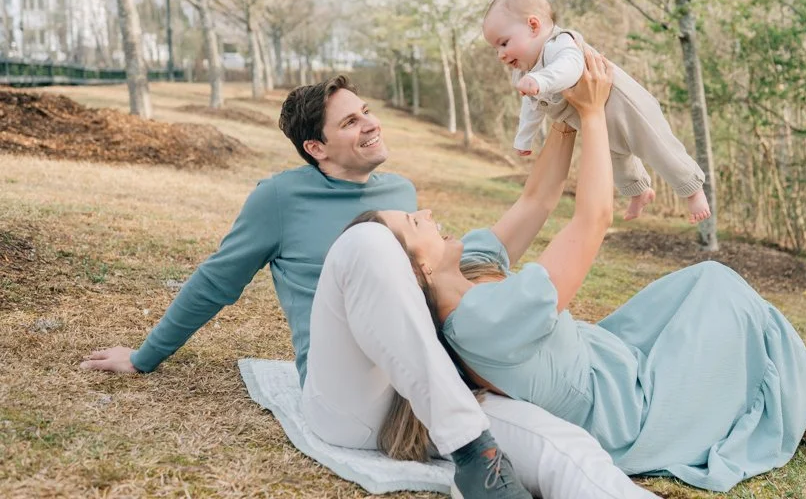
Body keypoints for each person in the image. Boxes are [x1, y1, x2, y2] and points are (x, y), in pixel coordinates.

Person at [80, 73, 657, 499]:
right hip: (351, 399)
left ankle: (484, 451)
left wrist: (568, 108)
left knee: (565, 451)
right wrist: (145, 356)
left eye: (366, 111)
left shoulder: (401, 192)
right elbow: (215, 282)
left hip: (427, 401)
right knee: (365, 243)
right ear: (316, 148)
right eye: (350, 121)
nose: (369, 123)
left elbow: (468, 262)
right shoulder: (278, 199)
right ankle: (472, 446)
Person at [359, 51, 806, 493]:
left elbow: (537, 198)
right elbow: (593, 220)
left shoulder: (469, 264)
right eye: (414, 221)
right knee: (728, 289)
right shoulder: (484, 319)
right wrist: (591, 119)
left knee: (705, 281)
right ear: (420, 267)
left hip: (609, 352)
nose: (426, 212)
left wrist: (562, 113)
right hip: (630, 411)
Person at [482, 0, 710, 223]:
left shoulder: (559, 44)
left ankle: (693, 190)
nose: (500, 55)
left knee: (659, 149)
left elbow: (570, 68)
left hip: (629, 110)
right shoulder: (526, 73)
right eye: (496, 48)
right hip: (597, 121)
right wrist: (523, 137)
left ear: (533, 25)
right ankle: (640, 192)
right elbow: (531, 107)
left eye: (504, 43)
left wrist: (540, 81)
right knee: (616, 160)